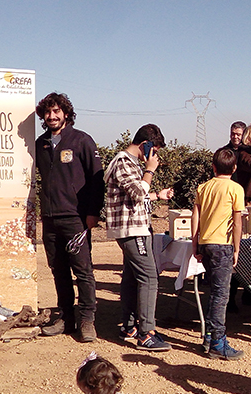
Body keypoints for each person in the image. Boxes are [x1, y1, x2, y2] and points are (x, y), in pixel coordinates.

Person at [35, 93, 104, 341]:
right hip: (50, 218)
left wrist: (93, 212)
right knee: (59, 270)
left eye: (56, 111)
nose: (52, 116)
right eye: (47, 112)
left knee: (83, 270)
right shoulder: (40, 143)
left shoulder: (82, 140)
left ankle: (87, 320)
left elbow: (97, 180)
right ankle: (66, 317)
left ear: (66, 113)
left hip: (76, 218)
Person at [104, 123, 174, 351]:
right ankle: (146, 334)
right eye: (155, 151)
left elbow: (136, 194)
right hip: (132, 230)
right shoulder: (124, 161)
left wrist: (157, 195)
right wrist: (150, 170)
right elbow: (136, 193)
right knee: (150, 277)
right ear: (146, 145)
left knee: (133, 276)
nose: (155, 156)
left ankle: (130, 326)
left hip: (134, 228)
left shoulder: (129, 162)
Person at [190, 148, 245, 360]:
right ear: (234, 168)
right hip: (223, 244)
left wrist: (195, 244)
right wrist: (237, 248)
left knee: (213, 292)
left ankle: (210, 336)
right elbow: (237, 221)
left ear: (213, 167)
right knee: (222, 294)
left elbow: (195, 216)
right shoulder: (235, 189)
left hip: (206, 243)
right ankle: (218, 342)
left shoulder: (203, 187)